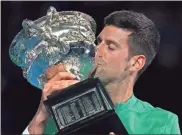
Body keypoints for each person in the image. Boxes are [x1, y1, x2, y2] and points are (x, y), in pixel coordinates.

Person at [23, 10, 181, 134]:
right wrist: (41, 117)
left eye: (110, 46)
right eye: (98, 42)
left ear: (135, 63)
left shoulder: (162, 123)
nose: (96, 50)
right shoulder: (60, 112)